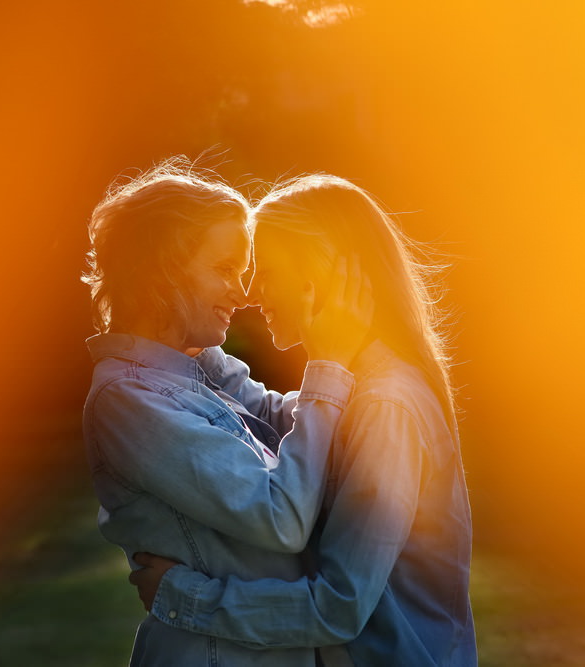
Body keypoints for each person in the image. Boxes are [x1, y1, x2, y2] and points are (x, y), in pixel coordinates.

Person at [130, 174, 477, 666]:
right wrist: (174, 324)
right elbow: (271, 414)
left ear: (326, 274)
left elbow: (340, 607)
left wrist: (185, 599)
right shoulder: (358, 389)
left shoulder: (385, 406)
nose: (251, 293)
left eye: (267, 272)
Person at [82, 158, 373, 665]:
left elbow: (286, 421)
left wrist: (361, 363)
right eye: (223, 270)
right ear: (161, 268)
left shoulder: (204, 364)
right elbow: (281, 516)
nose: (240, 294)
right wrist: (328, 362)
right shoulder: (125, 400)